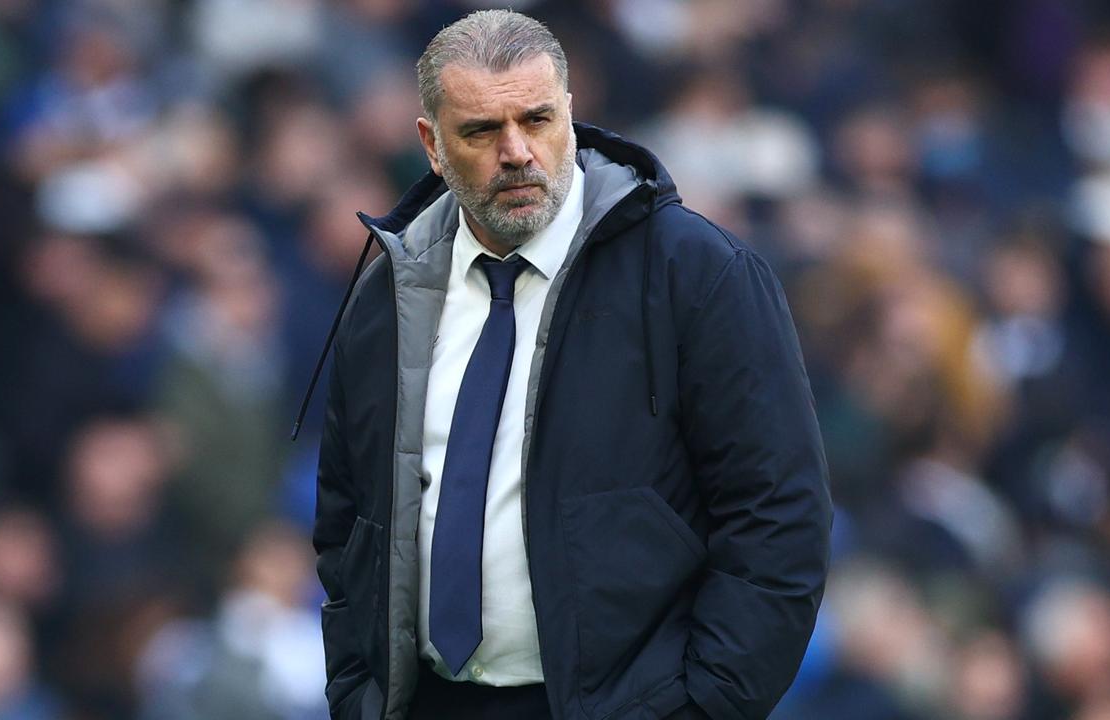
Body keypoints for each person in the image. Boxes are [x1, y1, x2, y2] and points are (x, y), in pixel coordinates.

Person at [297, 10, 832, 719]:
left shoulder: (697, 274)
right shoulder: (388, 292)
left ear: (571, 115)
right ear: (431, 144)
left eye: (537, 119)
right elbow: (346, 524)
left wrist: (702, 708)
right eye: (482, 130)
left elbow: (779, 521)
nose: (517, 151)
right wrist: (358, 694)